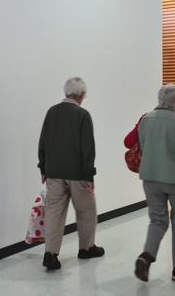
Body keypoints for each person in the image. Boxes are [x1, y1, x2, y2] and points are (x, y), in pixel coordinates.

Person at [124, 84, 175, 282]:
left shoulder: (145, 118)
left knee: (157, 220)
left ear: (159, 98)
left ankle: (146, 256)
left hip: (150, 178)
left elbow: (128, 142)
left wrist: (140, 126)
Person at [37, 77, 104, 271]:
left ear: (67, 93)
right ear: (81, 95)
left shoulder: (51, 112)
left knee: (54, 213)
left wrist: (43, 169)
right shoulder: (82, 114)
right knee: (86, 211)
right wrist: (89, 176)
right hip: (77, 174)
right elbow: (88, 149)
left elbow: (43, 142)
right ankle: (86, 248)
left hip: (54, 172)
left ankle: (50, 254)